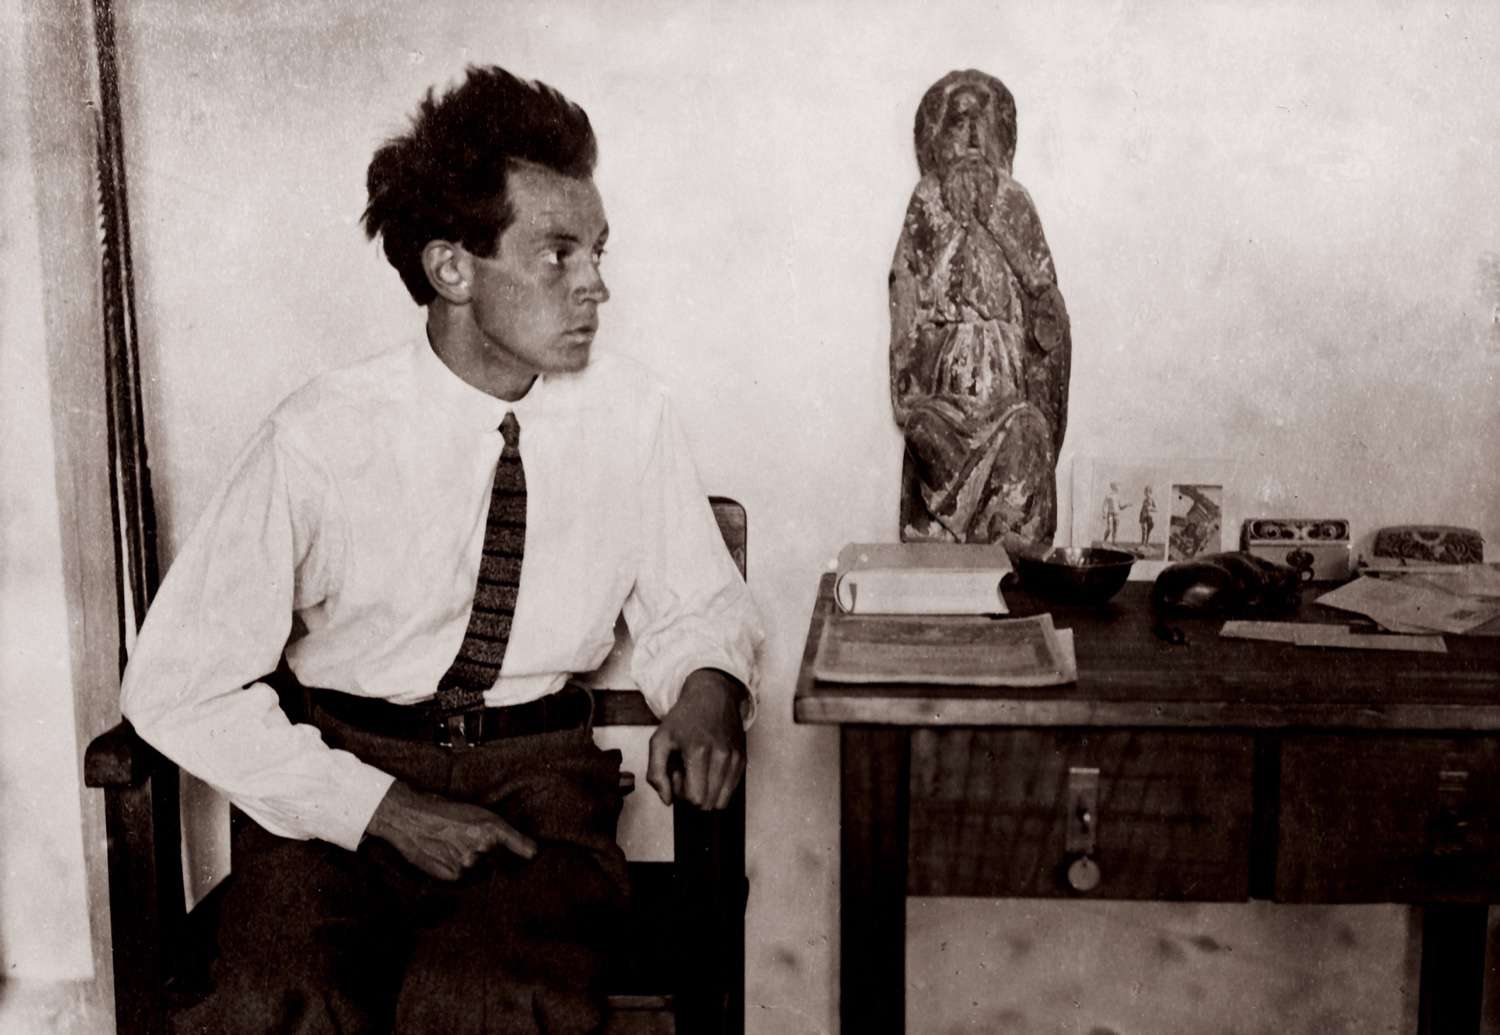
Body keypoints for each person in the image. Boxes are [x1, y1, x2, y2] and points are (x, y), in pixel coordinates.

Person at [120, 65, 763, 1035]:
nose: (596, 283)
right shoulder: (321, 436)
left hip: (538, 797)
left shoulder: (632, 419)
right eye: (557, 254)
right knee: (279, 990)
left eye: (597, 251)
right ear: (452, 270)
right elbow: (176, 681)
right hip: (339, 793)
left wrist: (708, 689)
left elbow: (699, 601)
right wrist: (381, 808)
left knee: (487, 995)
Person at [889, 69, 1070, 545]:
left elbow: (1044, 298)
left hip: (1006, 380)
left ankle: (1004, 534)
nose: (972, 135)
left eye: (981, 122)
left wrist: (992, 222)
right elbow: (906, 284)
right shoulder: (927, 198)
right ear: (937, 137)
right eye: (958, 121)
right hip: (948, 378)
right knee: (924, 429)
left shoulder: (1015, 200)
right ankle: (958, 529)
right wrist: (908, 377)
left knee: (1028, 432)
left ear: (999, 135)